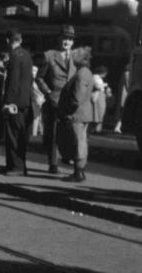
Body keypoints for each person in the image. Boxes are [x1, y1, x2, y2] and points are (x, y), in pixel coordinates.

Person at [36, 25, 77, 174]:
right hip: (54, 100)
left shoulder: (76, 57)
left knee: (71, 132)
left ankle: (70, 159)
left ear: (73, 42)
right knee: (53, 133)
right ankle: (53, 164)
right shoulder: (49, 55)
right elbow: (39, 78)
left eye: (70, 39)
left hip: (72, 101)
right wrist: (47, 93)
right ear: (59, 39)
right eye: (64, 38)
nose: (66, 42)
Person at [56, 45, 96, 182]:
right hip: (83, 113)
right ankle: (79, 171)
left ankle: (78, 173)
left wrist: (68, 111)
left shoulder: (82, 74)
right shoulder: (86, 72)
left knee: (78, 142)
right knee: (80, 141)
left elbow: (77, 97)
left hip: (77, 114)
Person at [0, 30, 35, 174]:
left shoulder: (14, 56)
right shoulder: (27, 55)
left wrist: (8, 102)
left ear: (8, 40)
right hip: (25, 100)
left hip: (15, 102)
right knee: (21, 135)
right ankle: (20, 165)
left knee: (13, 135)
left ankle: (15, 167)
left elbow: (13, 81)